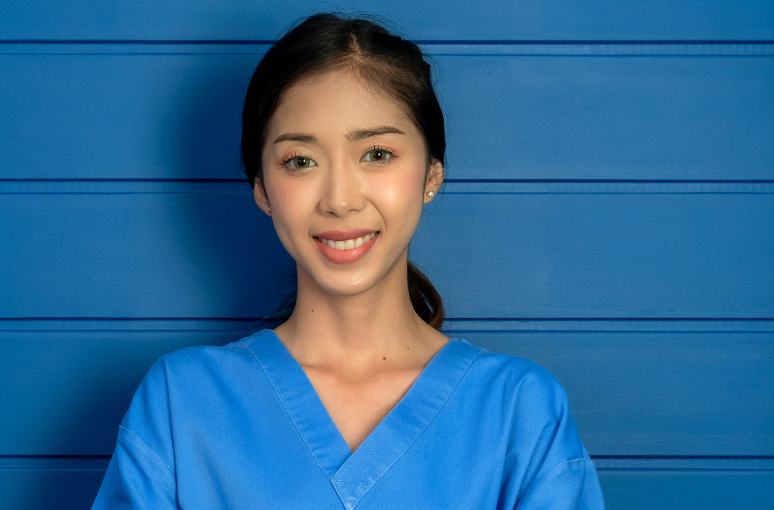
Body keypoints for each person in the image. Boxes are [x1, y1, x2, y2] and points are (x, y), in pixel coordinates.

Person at [91, 13, 604, 509]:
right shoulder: (182, 404)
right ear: (262, 189)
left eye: (377, 154)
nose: (340, 199)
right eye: (301, 161)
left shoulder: (520, 409)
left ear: (431, 173)